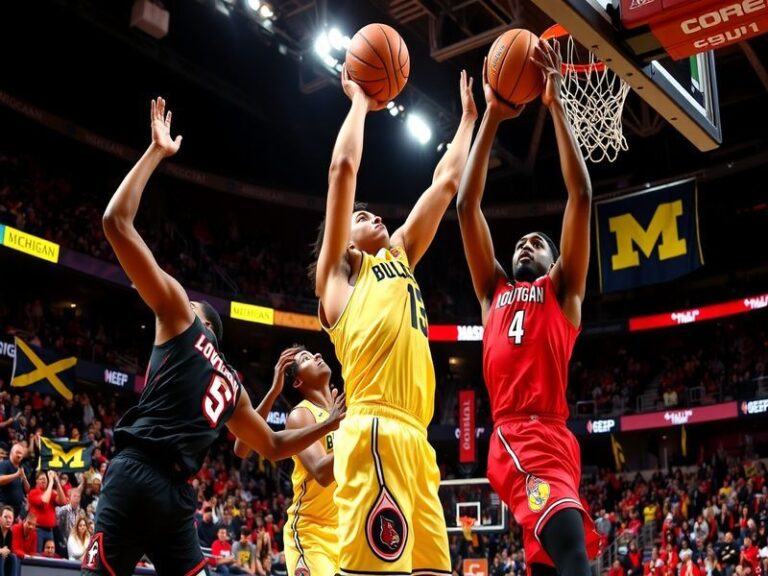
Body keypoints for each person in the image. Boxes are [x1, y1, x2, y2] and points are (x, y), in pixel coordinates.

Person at [82, 97, 346, 576]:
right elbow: (270, 446)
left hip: (138, 477)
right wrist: (329, 426)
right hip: (178, 495)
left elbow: (115, 222)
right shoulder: (231, 383)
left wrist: (155, 153)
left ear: (196, 314)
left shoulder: (179, 315)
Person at [313, 65, 477, 573]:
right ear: (343, 236)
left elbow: (446, 182)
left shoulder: (400, 254)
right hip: (374, 429)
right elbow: (342, 169)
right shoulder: (339, 281)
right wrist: (360, 102)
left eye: (372, 213)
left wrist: (471, 117)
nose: (373, 216)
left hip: (417, 444)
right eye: (360, 217)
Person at [456, 39, 600, 576]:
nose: (524, 245)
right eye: (520, 242)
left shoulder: (563, 293)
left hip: (556, 438)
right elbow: (467, 205)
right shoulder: (493, 293)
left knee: (550, 565)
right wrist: (492, 115)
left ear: (557, 258)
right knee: (569, 549)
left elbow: (580, 196)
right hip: (516, 434)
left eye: (538, 241)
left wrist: (558, 105)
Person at [236, 346, 337, 575]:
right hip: (313, 533)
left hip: (347, 530)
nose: (318, 355)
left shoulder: (342, 410)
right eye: (306, 358)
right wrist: (273, 391)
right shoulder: (302, 415)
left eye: (314, 354)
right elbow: (242, 447)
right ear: (298, 381)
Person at [0, 444, 29, 517]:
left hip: (18, 509)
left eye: (21, 453)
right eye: (17, 452)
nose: (19, 455)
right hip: (4, 506)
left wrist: (24, 478)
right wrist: (16, 475)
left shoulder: (22, 468)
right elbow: (0, 480)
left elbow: (27, 490)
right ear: (11, 453)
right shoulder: (4, 464)